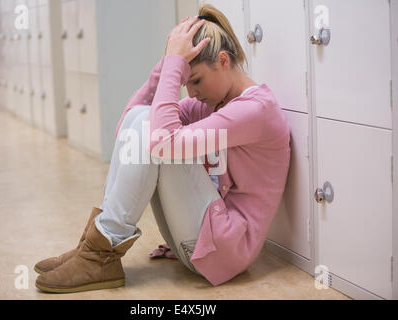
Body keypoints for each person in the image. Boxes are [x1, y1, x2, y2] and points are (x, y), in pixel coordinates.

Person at [34, 3, 291, 293]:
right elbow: (129, 126)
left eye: (195, 80)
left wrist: (174, 66)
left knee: (153, 129)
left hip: (223, 252)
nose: (191, 92)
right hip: (196, 242)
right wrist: (166, 63)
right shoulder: (211, 104)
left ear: (222, 60)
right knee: (143, 119)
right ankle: (96, 246)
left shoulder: (255, 111)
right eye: (186, 82)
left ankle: (100, 251)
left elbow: (159, 139)